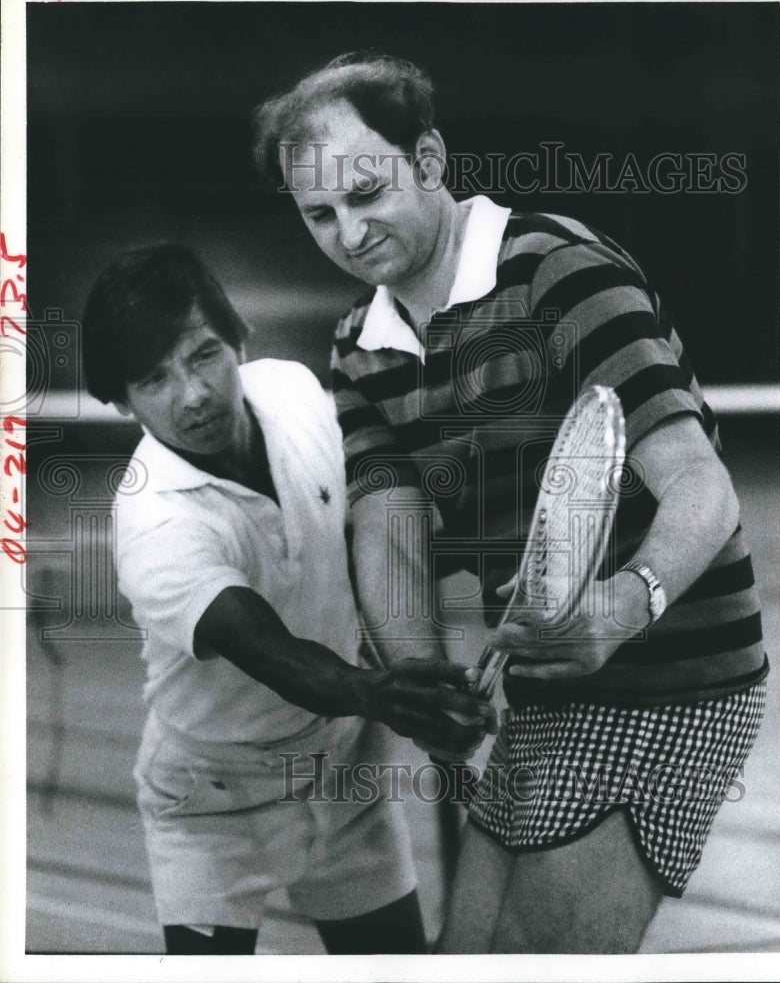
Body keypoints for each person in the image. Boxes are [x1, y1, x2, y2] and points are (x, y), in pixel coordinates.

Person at [252, 52, 770, 954]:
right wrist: (422, 680)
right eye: (320, 214)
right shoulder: (357, 346)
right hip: (542, 691)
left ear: (428, 160)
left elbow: (701, 484)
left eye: (367, 192)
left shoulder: (557, 272)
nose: (350, 231)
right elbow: (389, 526)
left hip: (673, 682)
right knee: (466, 958)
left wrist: (629, 600)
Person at [80, 243, 494, 955]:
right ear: (123, 402)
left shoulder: (297, 392)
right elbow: (282, 659)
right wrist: (393, 696)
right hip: (216, 795)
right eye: (154, 379)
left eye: (204, 355)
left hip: (343, 766)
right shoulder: (155, 524)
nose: (193, 394)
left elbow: (376, 518)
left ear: (239, 338)